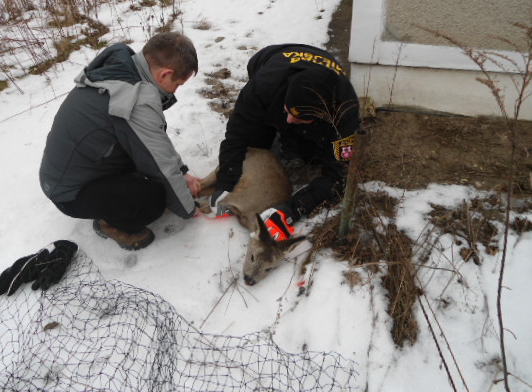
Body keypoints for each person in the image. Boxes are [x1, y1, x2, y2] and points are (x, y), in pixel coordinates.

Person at [40, 32, 201, 251]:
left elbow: (155, 141)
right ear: (165, 74)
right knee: (152, 199)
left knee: (148, 165)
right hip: (69, 192)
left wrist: (181, 171)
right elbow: (160, 165)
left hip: (74, 169)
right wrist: (190, 209)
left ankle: (113, 195)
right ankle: (111, 223)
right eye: (178, 84)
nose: (176, 90)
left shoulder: (123, 69)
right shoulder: (133, 100)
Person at [211, 43, 360, 240]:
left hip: (315, 99)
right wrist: (226, 180)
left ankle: (299, 131)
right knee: (258, 143)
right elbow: (237, 136)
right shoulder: (262, 86)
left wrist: (293, 209)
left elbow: (339, 176)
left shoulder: (345, 113)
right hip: (270, 59)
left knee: (312, 156)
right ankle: (285, 119)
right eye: (287, 111)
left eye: (298, 117)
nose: (290, 119)